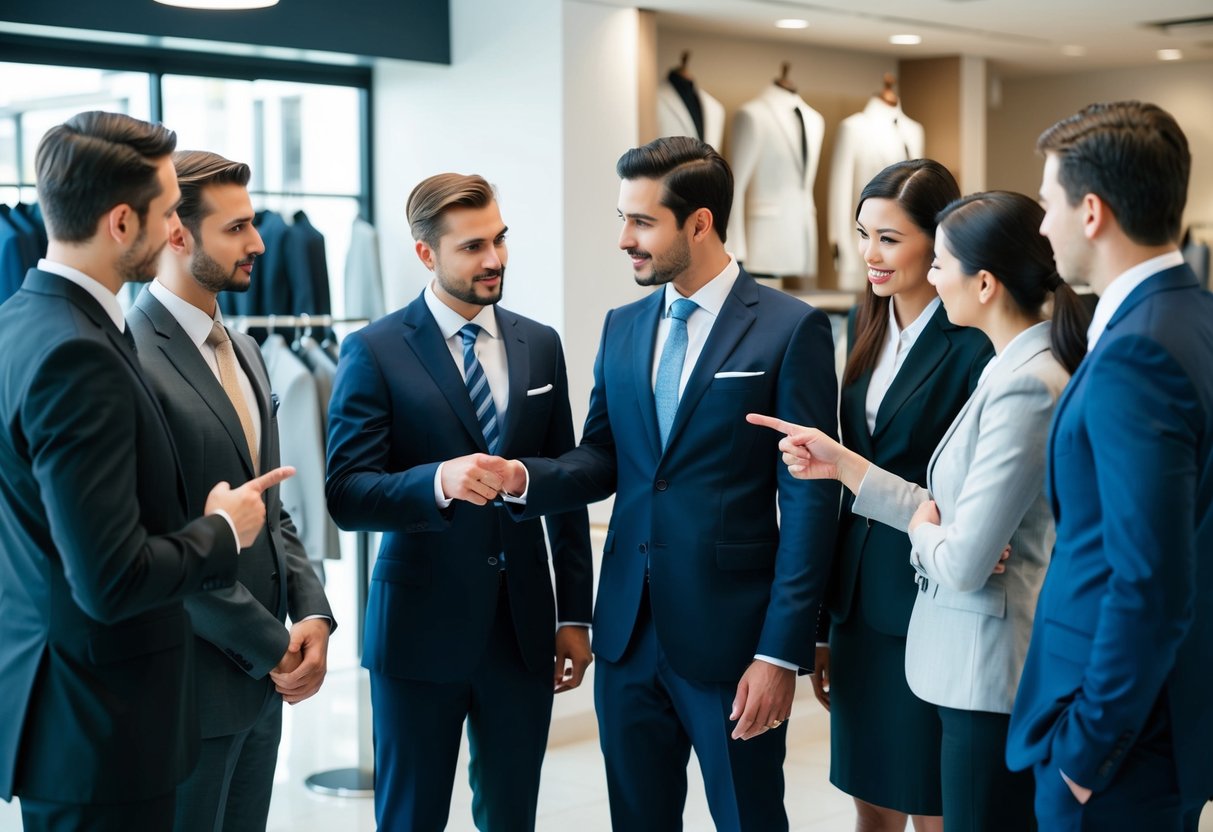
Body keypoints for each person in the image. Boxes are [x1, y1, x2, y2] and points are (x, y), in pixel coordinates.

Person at [497, 135, 840, 831]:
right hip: (625, 635)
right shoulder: (623, 326)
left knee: (747, 819)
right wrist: (521, 477)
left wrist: (780, 650)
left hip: (732, 638)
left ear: (699, 222)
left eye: (641, 222)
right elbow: (601, 458)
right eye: (622, 219)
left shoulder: (788, 328)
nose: (624, 239)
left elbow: (810, 500)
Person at [751, 190, 1090, 831]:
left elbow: (962, 550)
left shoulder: (1013, 373)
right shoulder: (1006, 363)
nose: (932, 277)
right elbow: (949, 514)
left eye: (938, 261)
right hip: (910, 619)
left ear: (984, 282)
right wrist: (849, 468)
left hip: (970, 643)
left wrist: (928, 526)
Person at [0, 111, 292, 831]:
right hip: (103, 721)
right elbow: (109, 578)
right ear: (123, 222)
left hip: (67, 708)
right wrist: (224, 530)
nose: (175, 234)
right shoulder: (80, 353)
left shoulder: (22, 320)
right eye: (168, 215)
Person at [325, 173, 593, 831]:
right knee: (410, 817)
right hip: (417, 634)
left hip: (521, 630)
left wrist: (574, 615)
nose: (495, 258)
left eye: (499, 239)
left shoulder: (541, 345)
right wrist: (436, 481)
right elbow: (347, 494)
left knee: (511, 817)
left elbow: (565, 484)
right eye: (472, 246)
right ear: (426, 253)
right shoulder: (374, 350)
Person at [1005, 101, 1213, 831]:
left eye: (1046, 202)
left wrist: (1082, 759)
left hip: (1119, 746)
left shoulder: (1137, 352)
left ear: (1089, 211)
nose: (1040, 225)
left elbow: (1148, 581)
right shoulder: (1192, 315)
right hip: (1163, 718)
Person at [128, 150, 335, 832]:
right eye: (237, 227)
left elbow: (271, 507)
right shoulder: (131, 358)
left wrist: (310, 614)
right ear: (178, 234)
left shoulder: (244, 348)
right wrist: (271, 647)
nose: (259, 242)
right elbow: (161, 543)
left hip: (258, 692)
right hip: (185, 691)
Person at [812, 159, 994, 832]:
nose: (869, 254)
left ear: (938, 242)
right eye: (863, 235)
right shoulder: (864, 330)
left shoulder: (972, 345)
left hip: (929, 602)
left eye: (888, 238)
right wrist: (825, 625)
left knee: (931, 804)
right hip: (858, 609)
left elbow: (966, 495)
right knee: (871, 806)